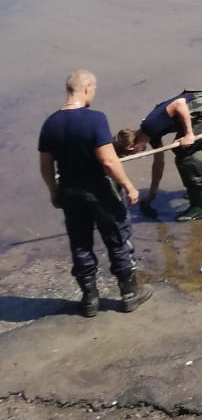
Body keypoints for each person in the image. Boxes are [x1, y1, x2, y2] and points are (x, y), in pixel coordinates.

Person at [37, 70, 151, 317]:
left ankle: (89, 300)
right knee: (117, 238)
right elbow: (108, 161)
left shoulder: (50, 123)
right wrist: (130, 186)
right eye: (95, 89)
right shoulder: (95, 119)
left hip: (70, 192)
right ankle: (130, 295)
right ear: (87, 88)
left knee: (80, 244)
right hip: (99, 191)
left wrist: (54, 192)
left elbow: (46, 167)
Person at [114, 88, 202, 221]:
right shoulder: (150, 134)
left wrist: (189, 133)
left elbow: (179, 103)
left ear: (132, 148)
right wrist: (152, 194)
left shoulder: (150, 125)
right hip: (201, 108)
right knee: (188, 151)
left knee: (188, 158)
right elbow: (158, 164)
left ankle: (200, 206)